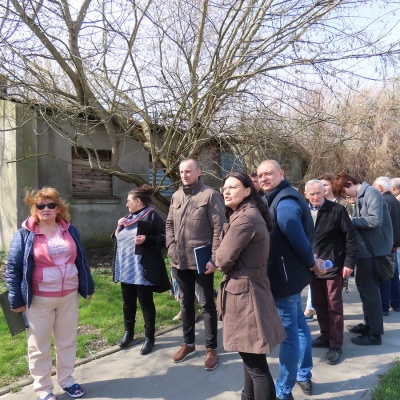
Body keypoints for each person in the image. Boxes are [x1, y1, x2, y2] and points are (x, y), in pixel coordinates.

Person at [6, 187, 95, 400]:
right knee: (39, 346)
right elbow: (13, 268)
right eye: (41, 205)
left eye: (51, 205)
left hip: (68, 297)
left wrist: (88, 287)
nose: (46, 208)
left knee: (67, 341)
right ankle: (43, 389)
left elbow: (80, 260)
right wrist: (16, 300)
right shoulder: (25, 234)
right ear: (34, 208)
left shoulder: (70, 230)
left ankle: (67, 380)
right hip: (39, 299)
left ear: (58, 209)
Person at [256, 160, 325, 400]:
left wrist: (311, 261)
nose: (264, 178)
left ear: (281, 173)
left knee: (288, 335)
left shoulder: (284, 202)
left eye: (269, 174)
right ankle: (304, 374)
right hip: (291, 277)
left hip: (285, 279)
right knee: (298, 325)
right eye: (260, 175)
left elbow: (293, 232)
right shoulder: (274, 197)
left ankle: (283, 391)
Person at [216, 172, 286, 400]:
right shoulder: (243, 215)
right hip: (247, 290)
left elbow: (223, 259)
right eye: (224, 187)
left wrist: (218, 254)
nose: (226, 191)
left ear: (247, 191)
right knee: (250, 356)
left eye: (233, 187)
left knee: (256, 367)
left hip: (245, 294)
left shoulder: (245, 218)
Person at [166, 157, 225, 370]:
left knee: (207, 305)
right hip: (179, 260)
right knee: (185, 302)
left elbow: (220, 228)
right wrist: (171, 245)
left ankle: (211, 348)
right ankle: (189, 343)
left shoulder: (210, 195)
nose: (184, 175)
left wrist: (214, 259)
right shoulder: (176, 195)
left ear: (199, 172)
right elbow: (169, 223)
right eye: (181, 171)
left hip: (202, 262)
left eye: (188, 171)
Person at [332, 172, 393, 345]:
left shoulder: (371, 193)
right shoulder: (362, 196)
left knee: (370, 292)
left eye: (344, 192)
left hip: (372, 252)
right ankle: (369, 325)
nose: (345, 196)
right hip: (366, 251)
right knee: (365, 290)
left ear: (350, 183)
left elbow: (375, 221)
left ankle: (375, 334)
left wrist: (349, 221)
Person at [112, 184, 170, 354]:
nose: (126, 204)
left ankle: (149, 337)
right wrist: (118, 227)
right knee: (128, 303)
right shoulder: (127, 218)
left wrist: (147, 239)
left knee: (145, 304)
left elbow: (165, 237)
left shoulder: (151, 215)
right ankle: (128, 333)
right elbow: (118, 238)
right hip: (125, 269)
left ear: (138, 201)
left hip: (141, 269)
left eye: (129, 201)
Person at [304, 179, 357, 365]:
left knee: (333, 305)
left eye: (319, 192)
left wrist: (349, 263)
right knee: (318, 304)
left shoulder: (337, 211)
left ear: (324, 193)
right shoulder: (303, 211)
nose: (316, 196)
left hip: (333, 266)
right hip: (311, 267)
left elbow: (350, 239)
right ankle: (325, 336)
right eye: (312, 194)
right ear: (306, 195)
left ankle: (335, 344)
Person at [372, 177, 400, 315]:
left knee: (385, 276)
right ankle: (396, 302)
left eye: (373, 186)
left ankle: (384, 307)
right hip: (393, 243)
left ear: (380, 188)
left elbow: (381, 224)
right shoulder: (394, 200)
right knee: (392, 273)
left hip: (386, 244)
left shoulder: (384, 201)